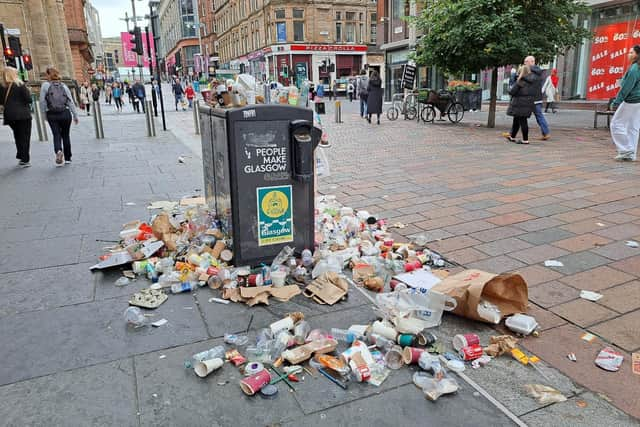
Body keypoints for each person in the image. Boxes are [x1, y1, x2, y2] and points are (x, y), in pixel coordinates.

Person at [39, 67, 79, 166]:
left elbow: (42, 102)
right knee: (65, 135)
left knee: (56, 134)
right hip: (65, 113)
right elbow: (70, 101)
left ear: (48, 75)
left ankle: (58, 151)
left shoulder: (45, 85)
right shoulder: (64, 86)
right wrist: (75, 115)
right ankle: (68, 158)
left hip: (52, 114)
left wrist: (43, 114)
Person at [611, 44, 640, 161]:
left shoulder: (634, 69)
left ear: (637, 55)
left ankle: (626, 150)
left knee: (616, 124)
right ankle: (631, 154)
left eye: (631, 53)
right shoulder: (637, 68)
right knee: (633, 127)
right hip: (638, 101)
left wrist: (616, 102)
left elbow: (626, 88)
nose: (629, 54)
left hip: (631, 101)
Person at [0, 67, 33, 167]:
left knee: (18, 135)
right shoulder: (20, 84)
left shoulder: (2, 86)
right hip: (23, 115)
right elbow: (29, 99)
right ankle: (25, 159)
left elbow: (1, 102)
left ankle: (21, 154)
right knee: (25, 136)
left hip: (10, 115)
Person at [505, 65, 536, 145]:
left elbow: (512, 92)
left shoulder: (520, 81)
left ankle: (525, 140)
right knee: (516, 120)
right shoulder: (532, 82)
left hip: (519, 104)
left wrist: (509, 88)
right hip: (528, 104)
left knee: (522, 122)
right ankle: (512, 136)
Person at [524, 55, 550, 140]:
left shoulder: (530, 72)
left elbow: (528, 84)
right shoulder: (539, 72)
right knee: (539, 116)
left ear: (531, 62)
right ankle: (545, 133)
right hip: (537, 98)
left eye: (525, 62)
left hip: (531, 98)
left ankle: (511, 133)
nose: (524, 63)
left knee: (519, 116)